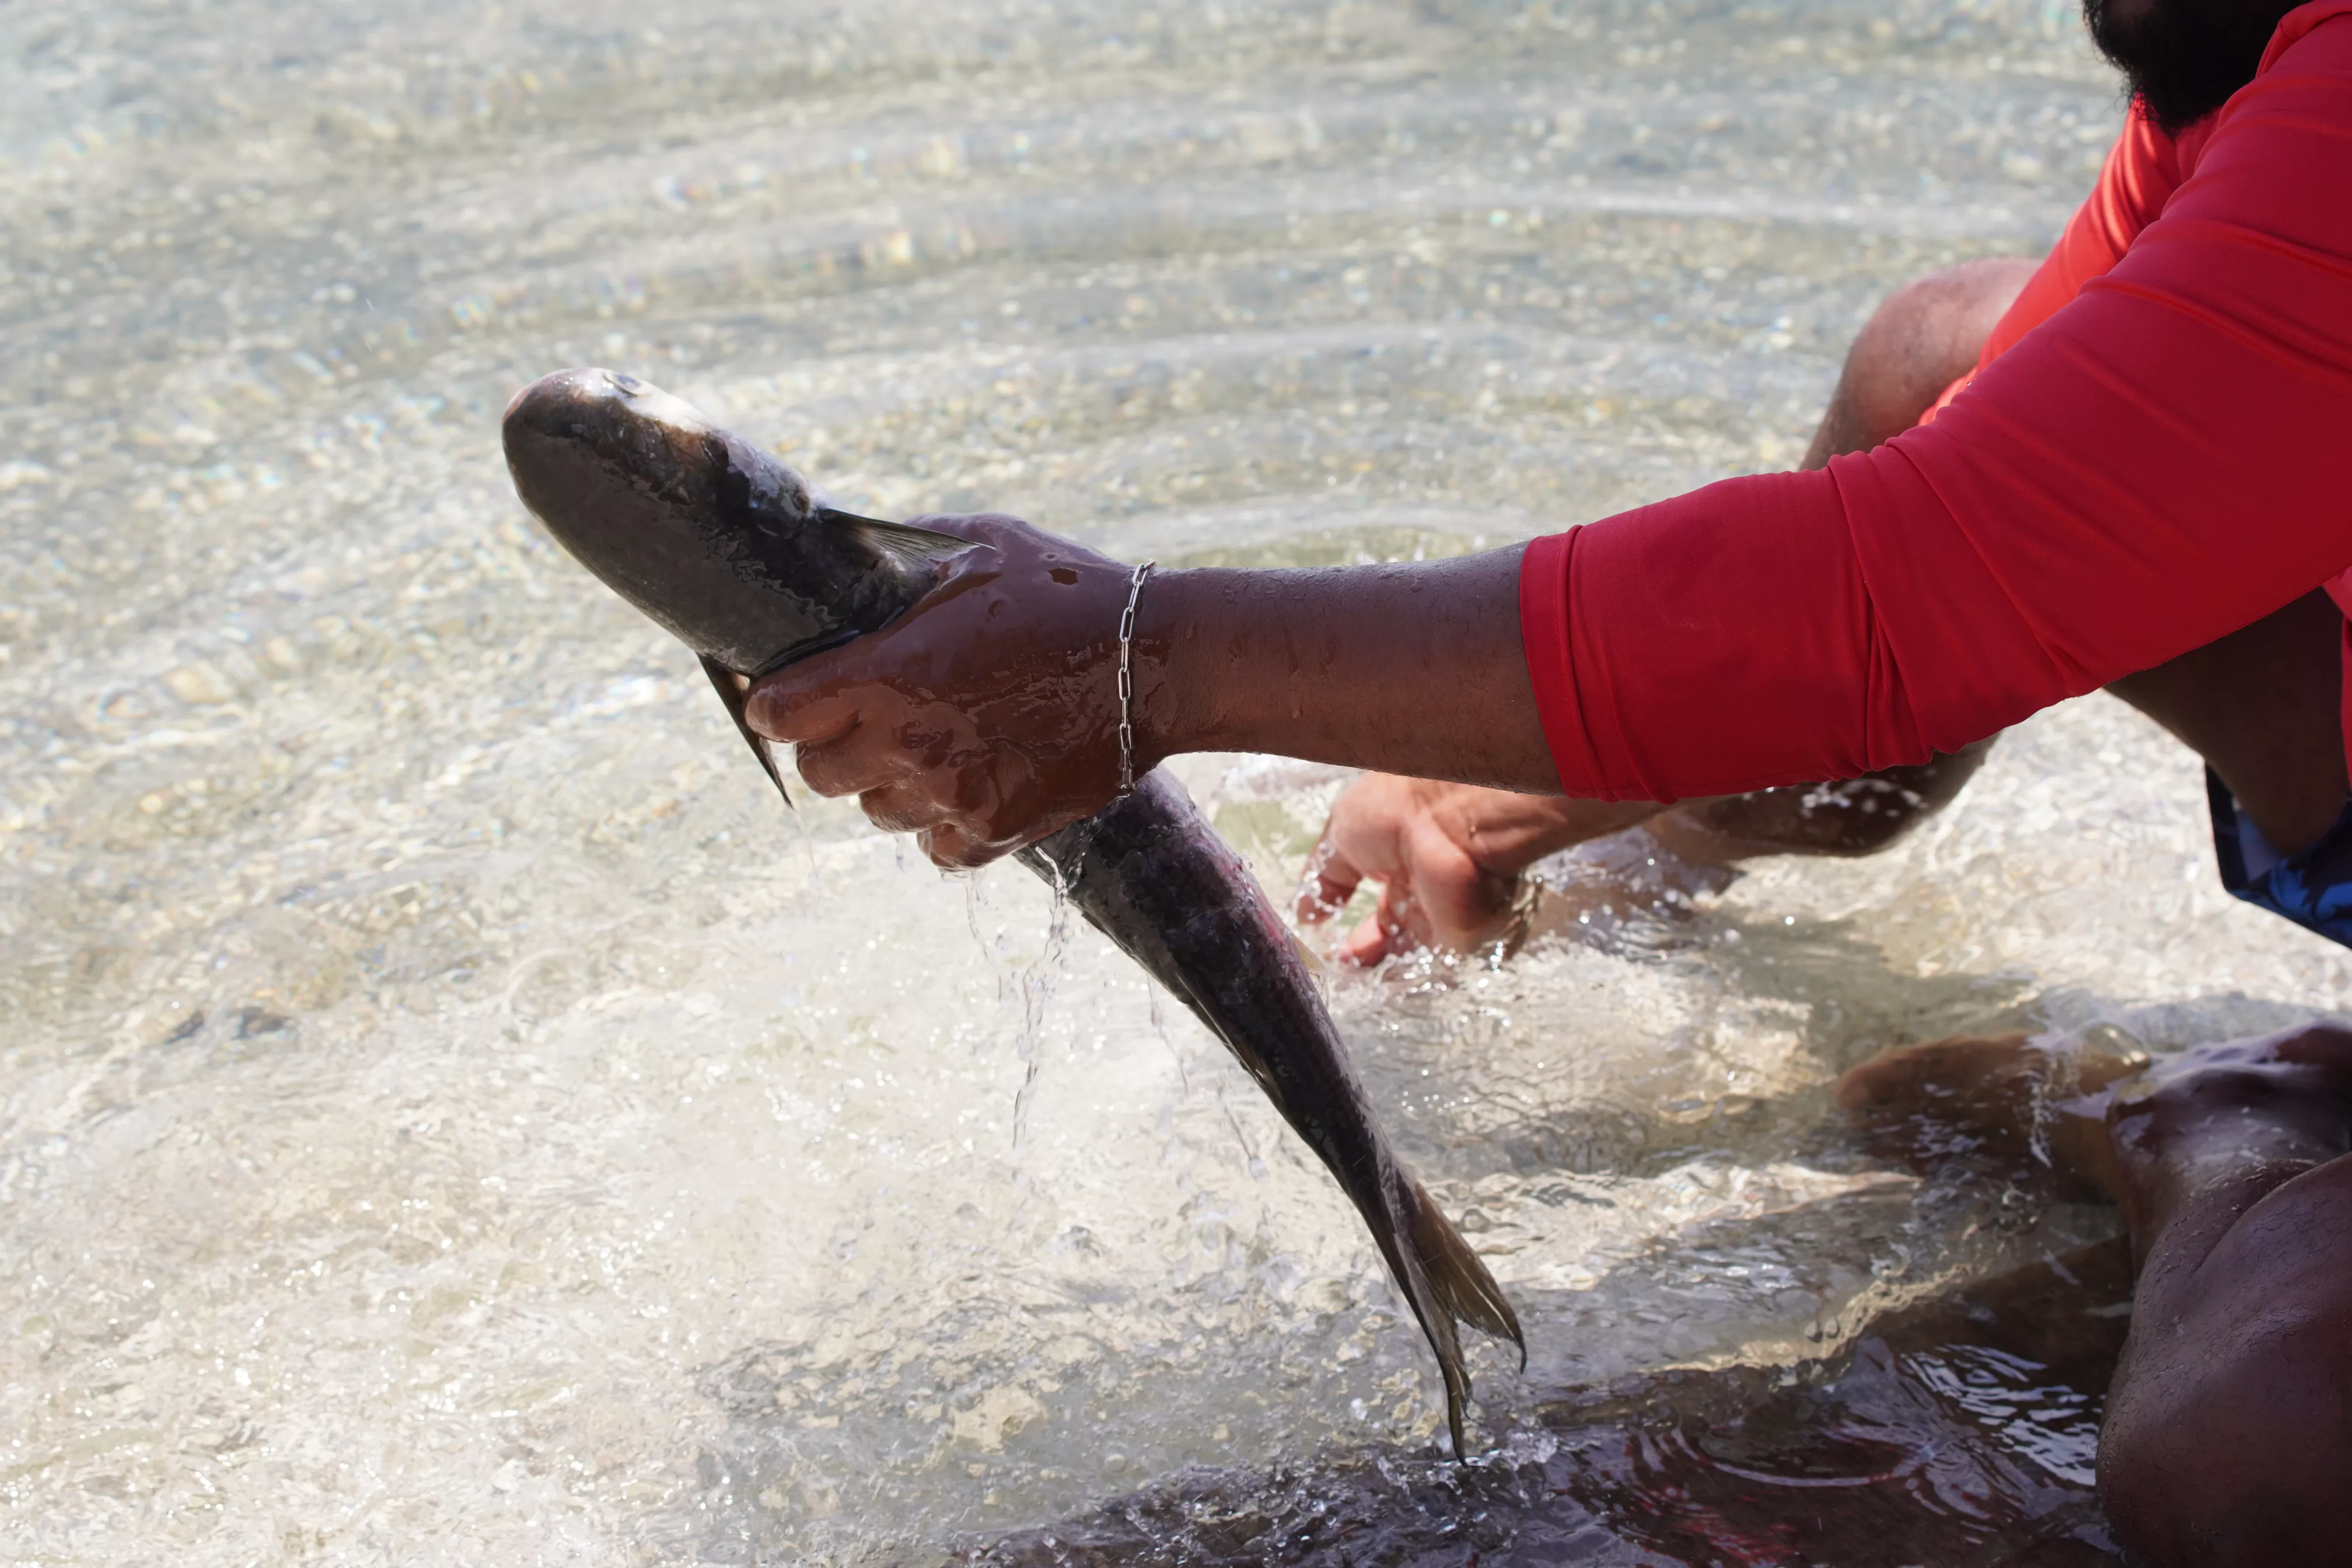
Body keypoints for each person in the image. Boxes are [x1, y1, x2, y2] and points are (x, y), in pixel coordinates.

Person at [736, 0, 2352, 1556]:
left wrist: (1149, 662)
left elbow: (1907, 586)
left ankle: (2247, 1136)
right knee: (1955, 361)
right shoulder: (2241, 46)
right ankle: (1699, 832)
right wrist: (1482, 791)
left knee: (2261, 1461)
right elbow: (2030, 469)